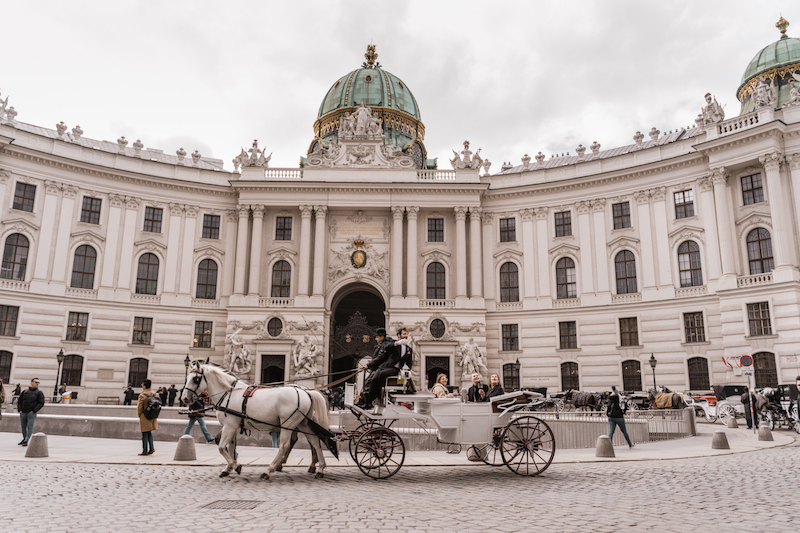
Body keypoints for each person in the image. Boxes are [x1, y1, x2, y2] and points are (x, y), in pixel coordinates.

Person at [358, 327, 413, 408]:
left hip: (395, 369)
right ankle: (368, 402)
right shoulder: (393, 343)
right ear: (399, 335)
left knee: (381, 374)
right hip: (385, 366)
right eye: (404, 334)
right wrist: (397, 343)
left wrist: (407, 369)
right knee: (373, 379)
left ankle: (372, 399)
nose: (406, 336)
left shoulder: (409, 349)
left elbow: (409, 363)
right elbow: (386, 346)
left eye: (407, 334)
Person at [17, 378, 45, 446]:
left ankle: (27, 439)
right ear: (31, 382)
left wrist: (34, 410)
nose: (37, 383)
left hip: (31, 413)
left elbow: (41, 403)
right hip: (23, 412)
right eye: (36, 382)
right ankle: (24, 438)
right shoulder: (25, 391)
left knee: (30, 426)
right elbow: (19, 401)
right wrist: (19, 410)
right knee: (23, 426)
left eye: (38, 382)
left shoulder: (39, 392)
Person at [137, 379, 158, 455]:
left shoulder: (142, 395)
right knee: (149, 433)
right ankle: (151, 447)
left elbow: (140, 407)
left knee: (144, 434)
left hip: (144, 416)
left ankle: (145, 450)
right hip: (153, 416)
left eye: (142, 385)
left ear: (144, 386)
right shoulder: (155, 394)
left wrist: (140, 415)